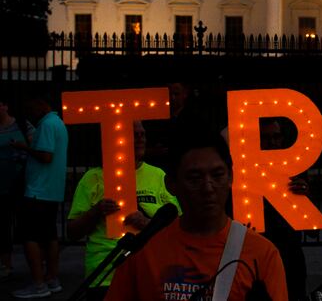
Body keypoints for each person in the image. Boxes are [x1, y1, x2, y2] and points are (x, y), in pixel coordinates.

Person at [104, 127, 288, 301]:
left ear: (231, 177)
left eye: (217, 175)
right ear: (171, 184)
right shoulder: (143, 251)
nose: (208, 187)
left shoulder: (262, 254)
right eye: (195, 178)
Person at [67, 121, 180, 300]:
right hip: (104, 274)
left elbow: (180, 228)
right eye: (135, 135)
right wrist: (96, 212)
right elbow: (72, 233)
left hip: (151, 272)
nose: (141, 139)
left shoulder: (159, 175)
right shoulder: (93, 178)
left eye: (143, 134)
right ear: (117, 139)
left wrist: (148, 225)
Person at [11, 93, 68, 299]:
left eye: (30, 111)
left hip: (38, 191)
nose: (29, 116)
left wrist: (23, 147)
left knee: (30, 237)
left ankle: (38, 284)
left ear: (39, 107)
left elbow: (45, 156)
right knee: (50, 236)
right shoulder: (58, 123)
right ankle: (52, 279)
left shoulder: (46, 125)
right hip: (52, 191)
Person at [258, 117, 310, 301]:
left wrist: (304, 196)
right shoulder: (244, 170)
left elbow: (309, 224)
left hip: (289, 251)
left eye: (276, 136)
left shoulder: (295, 167)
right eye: (265, 137)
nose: (272, 142)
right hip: (259, 250)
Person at [1, 95, 34, 281]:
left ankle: (37, 262)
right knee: (2, 226)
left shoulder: (21, 124)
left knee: (26, 224)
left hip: (21, 182)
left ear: (5, 106)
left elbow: (37, 144)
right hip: (2, 186)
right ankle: (6, 264)